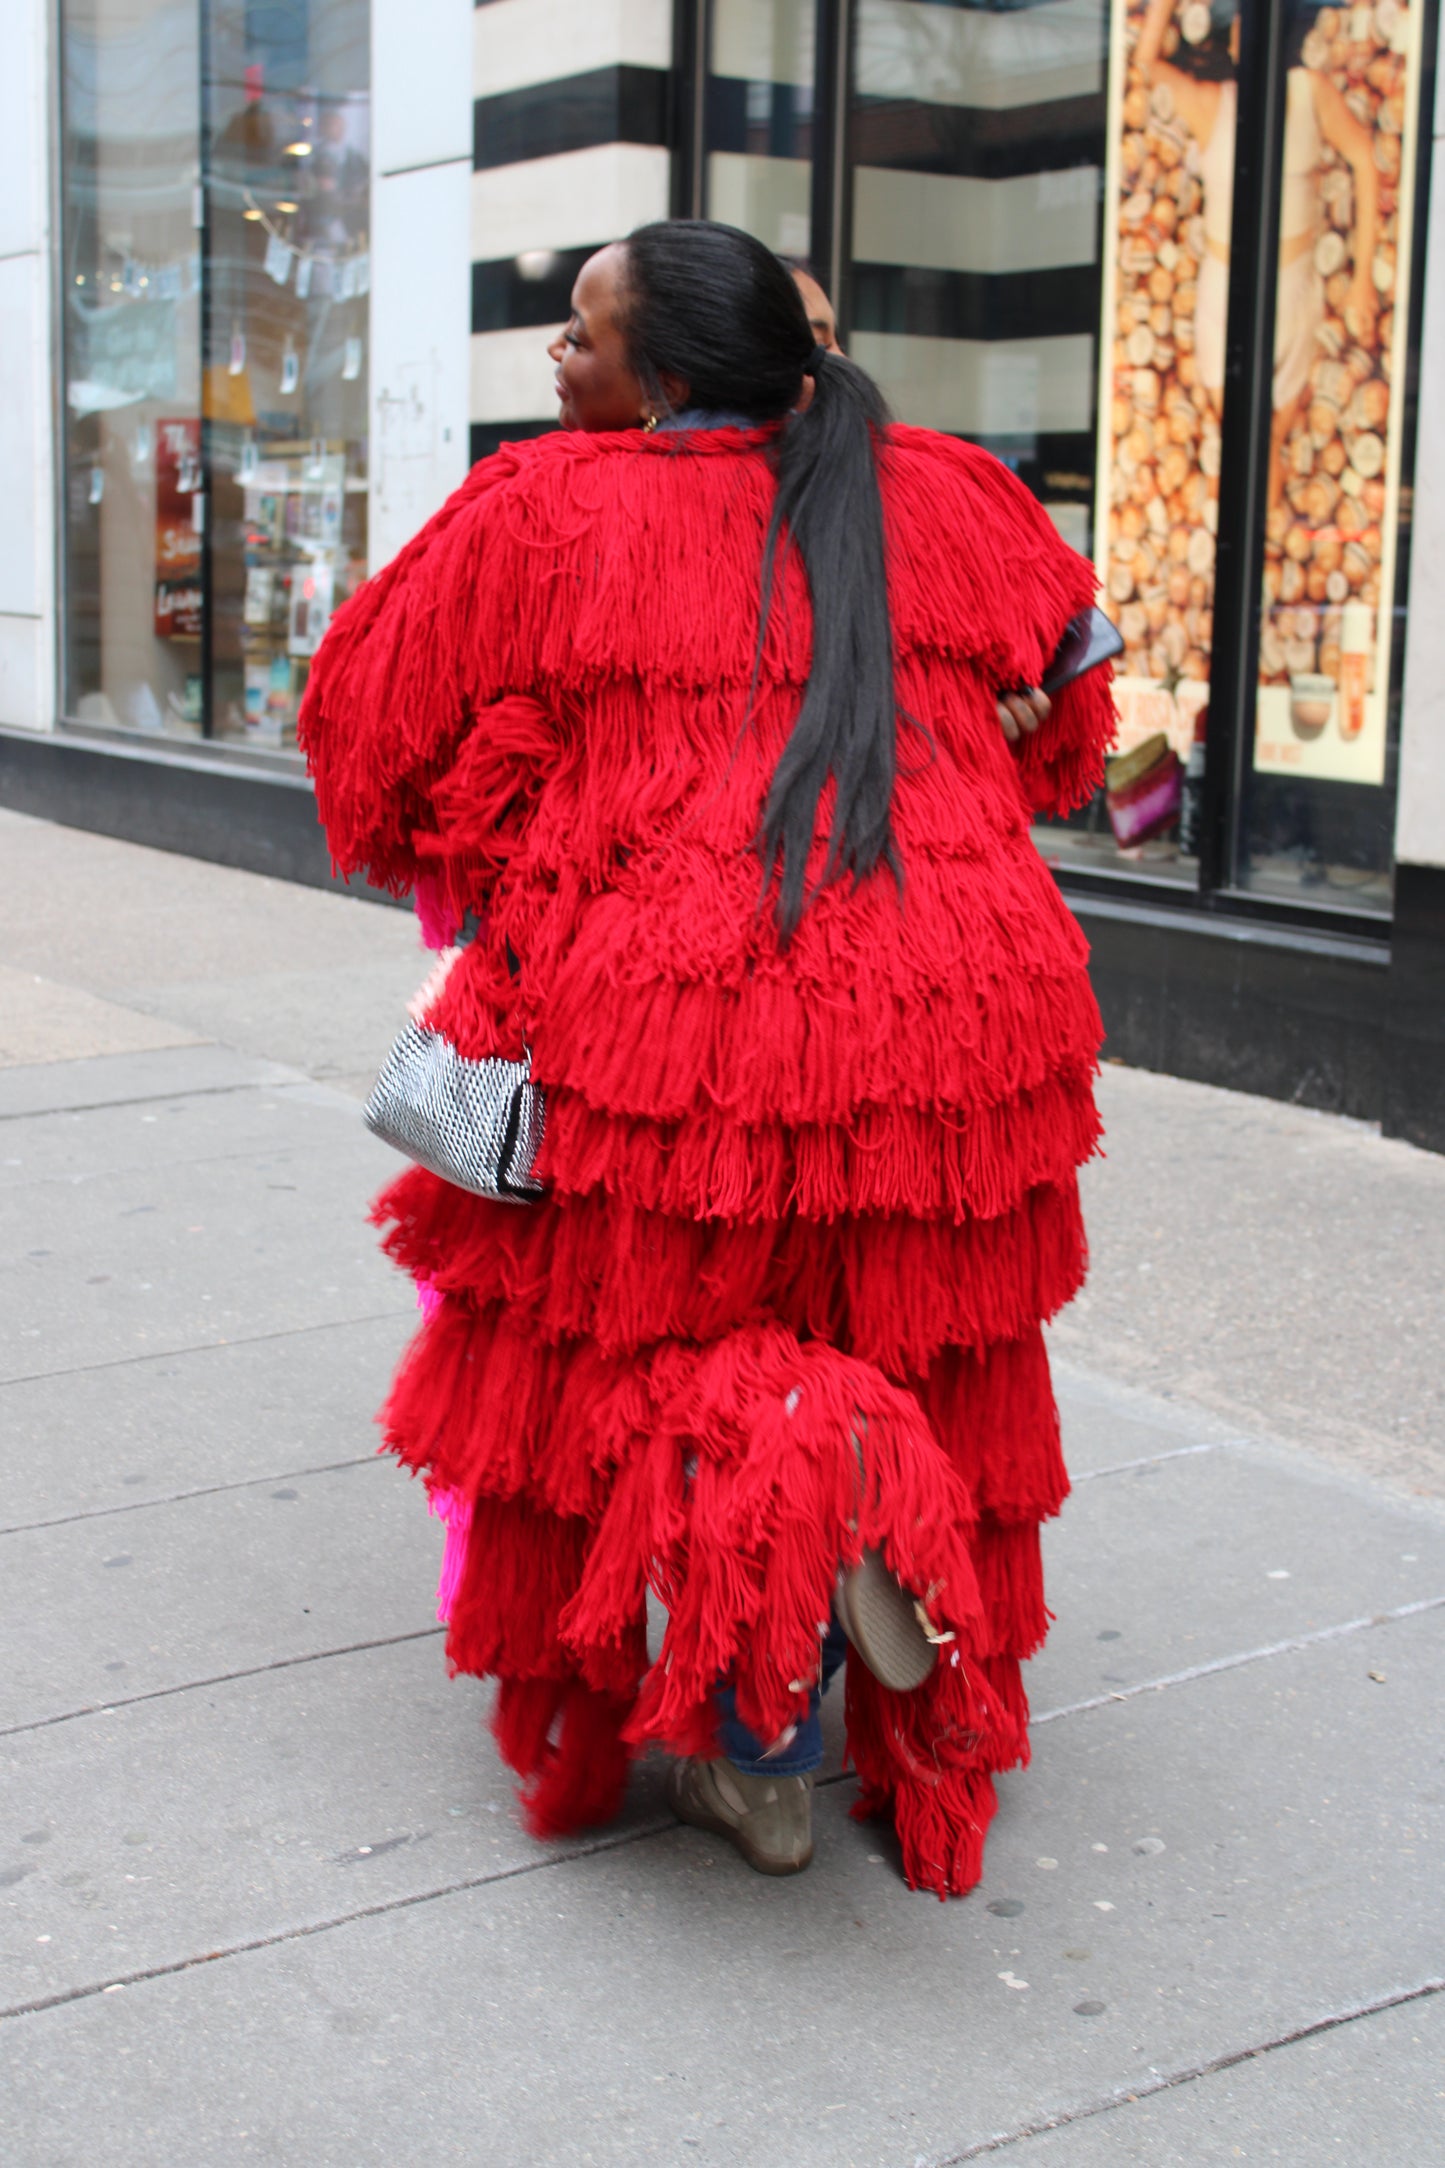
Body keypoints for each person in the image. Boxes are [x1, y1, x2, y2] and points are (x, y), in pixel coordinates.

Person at [300, 220, 1113, 1895]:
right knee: (914, 1337)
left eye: (581, 329)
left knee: (623, 1364)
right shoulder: (951, 487)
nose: (555, 357)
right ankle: (877, 1580)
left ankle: (747, 1732)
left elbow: (366, 741)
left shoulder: (547, 505)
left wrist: (522, 810)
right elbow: (1088, 723)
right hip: (955, 1027)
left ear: (664, 372)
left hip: (677, 1027)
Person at [1136, 0, 1379, 511]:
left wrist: (1361, 279)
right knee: (1243, 439)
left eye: (1244, 26)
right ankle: (1246, 561)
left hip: (1294, 284)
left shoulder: (1311, 91)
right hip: (1225, 289)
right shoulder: (1213, 102)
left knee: (1269, 439)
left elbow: (1364, 159)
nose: (1237, 37)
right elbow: (1147, 64)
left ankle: (1259, 567)